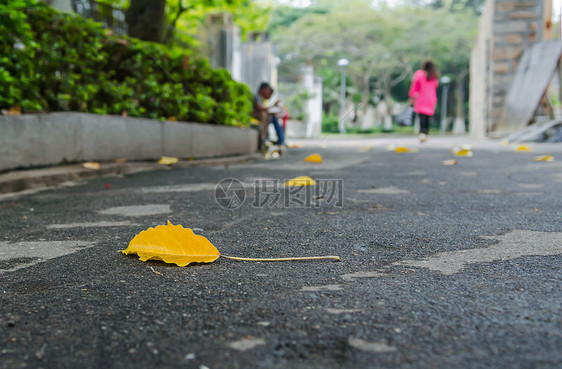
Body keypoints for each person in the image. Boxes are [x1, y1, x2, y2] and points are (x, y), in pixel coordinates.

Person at [408, 60, 439, 142]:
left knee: (422, 116)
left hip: (421, 98)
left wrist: (412, 97)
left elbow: (415, 86)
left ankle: (423, 133)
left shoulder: (419, 74)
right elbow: (436, 85)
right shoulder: (434, 76)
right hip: (431, 99)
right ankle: (426, 133)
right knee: (428, 117)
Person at [252, 82, 285, 149]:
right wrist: (273, 106)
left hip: (261, 115)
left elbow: (264, 109)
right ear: (264, 89)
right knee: (265, 115)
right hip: (254, 115)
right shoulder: (256, 96)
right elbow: (260, 108)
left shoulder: (262, 99)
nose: (269, 94)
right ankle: (263, 138)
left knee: (273, 117)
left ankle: (279, 140)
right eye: (268, 91)